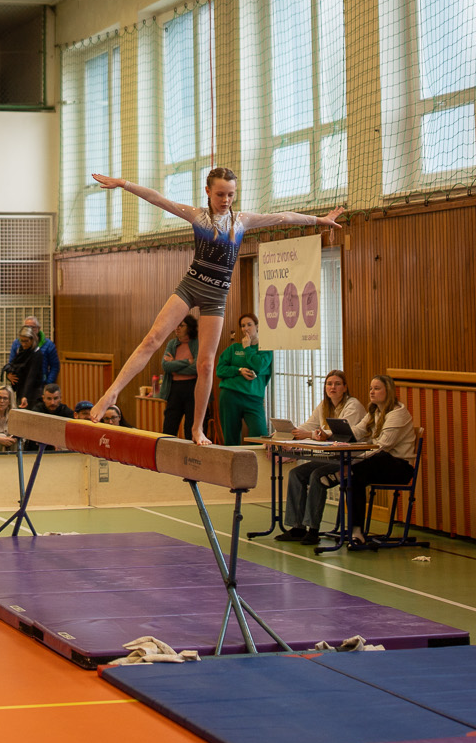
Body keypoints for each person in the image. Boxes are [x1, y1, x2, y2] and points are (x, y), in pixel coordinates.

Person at [88, 166, 342, 444]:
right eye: (220, 194)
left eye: (231, 194)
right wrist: (123, 183)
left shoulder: (242, 221)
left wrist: (320, 220)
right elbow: (158, 199)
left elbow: (284, 216)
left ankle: (197, 429)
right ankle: (112, 393)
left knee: (206, 364)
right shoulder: (198, 216)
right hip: (191, 286)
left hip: (216, 296)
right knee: (152, 339)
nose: (226, 200)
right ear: (208, 191)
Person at [278, 370, 367, 544]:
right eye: (329, 384)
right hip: (331, 457)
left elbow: (339, 432)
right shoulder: (324, 405)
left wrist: (309, 434)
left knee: (316, 476)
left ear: (345, 387)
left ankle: (313, 529)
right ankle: (297, 527)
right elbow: (310, 425)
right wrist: (291, 432)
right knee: (296, 474)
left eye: (337, 384)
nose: (333, 387)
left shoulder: (353, 405)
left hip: (350, 459)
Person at [342, 376, 418, 550]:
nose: (372, 392)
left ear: (388, 391)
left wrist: (356, 459)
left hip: (399, 467)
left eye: (376, 388)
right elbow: (358, 431)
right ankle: (356, 531)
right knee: (353, 477)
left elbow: (383, 446)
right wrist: (332, 434)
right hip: (378, 464)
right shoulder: (374, 412)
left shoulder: (398, 413)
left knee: (367, 462)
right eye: (371, 388)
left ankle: (340, 474)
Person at [217, 313, 274, 445]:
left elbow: (258, 366)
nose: (246, 328)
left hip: (254, 398)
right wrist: (239, 370)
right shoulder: (234, 348)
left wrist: (247, 348)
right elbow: (220, 370)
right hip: (230, 395)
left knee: (259, 436)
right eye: (243, 326)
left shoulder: (265, 349)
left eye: (249, 324)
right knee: (231, 439)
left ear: (257, 326)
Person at [161, 315, 200, 439]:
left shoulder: (197, 343)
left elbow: (196, 368)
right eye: (176, 325)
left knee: (190, 428)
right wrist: (187, 361)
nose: (177, 328)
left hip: (192, 388)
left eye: (181, 325)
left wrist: (175, 365)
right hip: (174, 388)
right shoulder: (172, 344)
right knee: (169, 426)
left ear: (189, 327)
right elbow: (165, 366)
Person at [8, 315, 60, 397]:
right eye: (27, 327)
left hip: (40, 385)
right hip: (22, 384)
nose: (30, 330)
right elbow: (11, 363)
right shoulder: (17, 344)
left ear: (38, 328)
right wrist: (9, 375)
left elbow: (55, 366)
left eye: (33, 327)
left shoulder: (48, 345)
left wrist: (48, 383)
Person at [1, 322, 49, 410]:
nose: (24, 344)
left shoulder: (37, 353)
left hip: (33, 392)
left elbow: (31, 376)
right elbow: (13, 364)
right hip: (21, 388)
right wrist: (9, 375)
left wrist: (25, 395)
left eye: (26, 341)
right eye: (22, 341)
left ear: (32, 339)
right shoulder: (20, 350)